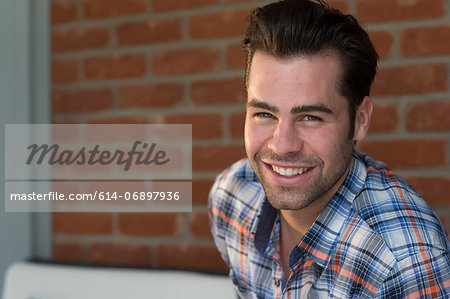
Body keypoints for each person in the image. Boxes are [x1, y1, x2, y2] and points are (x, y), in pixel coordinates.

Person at [208, 0, 450, 298]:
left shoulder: (403, 258)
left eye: (310, 117)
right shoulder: (231, 198)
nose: (282, 145)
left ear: (360, 121)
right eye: (265, 114)